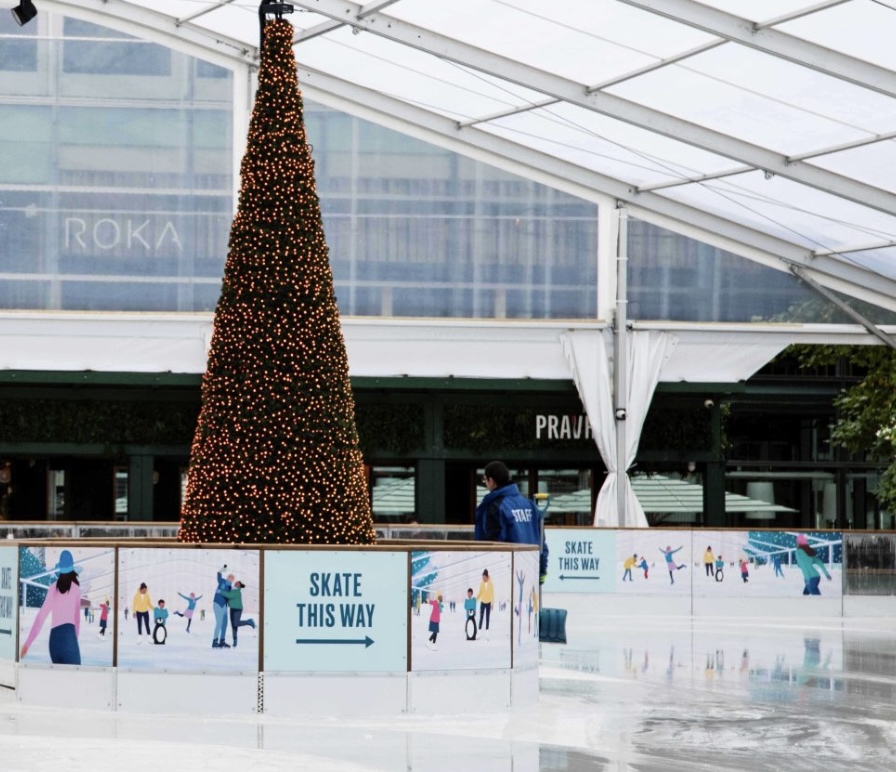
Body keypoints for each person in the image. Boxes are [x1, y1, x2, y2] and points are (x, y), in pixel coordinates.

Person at [474, 461, 549, 583]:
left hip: (506, 577)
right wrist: (542, 570)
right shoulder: (529, 504)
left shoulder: (496, 507)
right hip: (531, 572)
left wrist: (485, 573)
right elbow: (541, 541)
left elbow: (492, 545)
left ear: (491, 481)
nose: (486, 484)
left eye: (485, 480)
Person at [20, 549, 82, 665]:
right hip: (69, 636)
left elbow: (41, 617)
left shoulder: (53, 588)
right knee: (74, 679)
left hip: (54, 640)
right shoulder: (76, 589)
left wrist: (27, 644)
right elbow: (77, 620)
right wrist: (73, 642)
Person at [221, 580, 256, 647]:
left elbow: (229, 596)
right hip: (232, 609)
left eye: (238, 583)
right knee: (234, 626)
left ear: (239, 586)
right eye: (236, 582)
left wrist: (221, 592)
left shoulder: (237, 592)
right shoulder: (232, 589)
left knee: (236, 623)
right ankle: (235, 641)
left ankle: (249, 621)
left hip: (237, 609)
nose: (236, 583)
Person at [212, 566, 233, 649]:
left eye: (232, 578)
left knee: (225, 624)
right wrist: (223, 568)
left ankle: (222, 641)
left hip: (224, 606)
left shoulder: (230, 588)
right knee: (219, 623)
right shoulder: (222, 581)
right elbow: (218, 574)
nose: (230, 579)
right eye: (229, 577)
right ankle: (214, 641)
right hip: (217, 603)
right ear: (227, 578)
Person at [476, 568, 494, 636]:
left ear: (487, 576)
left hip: (488, 602)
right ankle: (479, 631)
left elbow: (492, 594)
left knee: (487, 617)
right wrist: (476, 599)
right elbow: (480, 592)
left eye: (484, 577)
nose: (483, 578)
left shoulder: (491, 584)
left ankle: (487, 631)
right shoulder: (481, 584)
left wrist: (492, 603)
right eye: (482, 577)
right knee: (481, 617)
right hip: (483, 602)